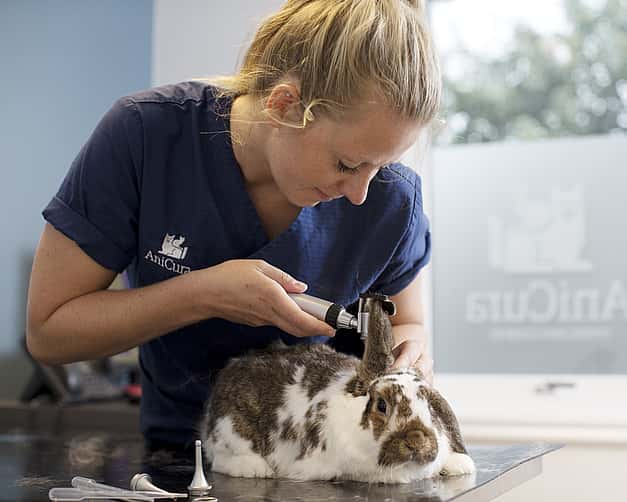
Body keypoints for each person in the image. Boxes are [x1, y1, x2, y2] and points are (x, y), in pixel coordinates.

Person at [26, 0, 440, 451]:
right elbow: (50, 333)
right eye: (347, 163)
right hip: (188, 456)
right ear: (285, 105)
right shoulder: (146, 137)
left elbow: (408, 322)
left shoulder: (392, 198)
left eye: (381, 167)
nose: (361, 193)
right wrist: (203, 295)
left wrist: (409, 356)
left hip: (333, 459)